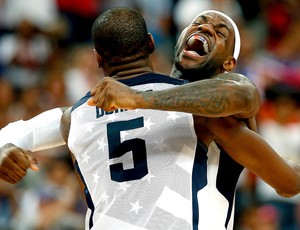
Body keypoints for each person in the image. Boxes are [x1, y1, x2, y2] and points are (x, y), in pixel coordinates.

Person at [0, 7, 299, 230]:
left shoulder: (79, 114)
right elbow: (289, 182)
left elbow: (243, 93)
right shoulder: (208, 118)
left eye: (220, 32)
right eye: (199, 23)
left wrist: (141, 100)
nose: (206, 28)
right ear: (154, 44)